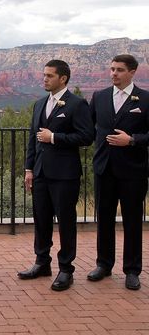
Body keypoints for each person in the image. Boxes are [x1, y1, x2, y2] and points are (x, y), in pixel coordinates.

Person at [17, 60, 93, 291]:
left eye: (50, 76)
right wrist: (29, 169)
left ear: (63, 79)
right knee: (41, 221)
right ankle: (42, 263)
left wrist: (55, 138)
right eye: (44, 75)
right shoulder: (39, 104)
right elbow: (32, 139)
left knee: (66, 224)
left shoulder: (77, 104)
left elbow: (86, 137)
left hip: (65, 175)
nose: (45, 79)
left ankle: (66, 269)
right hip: (40, 173)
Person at [87, 54, 149, 290]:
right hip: (104, 169)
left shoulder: (145, 99)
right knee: (103, 219)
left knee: (133, 221)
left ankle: (132, 270)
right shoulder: (99, 96)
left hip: (133, 171)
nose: (114, 73)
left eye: (120, 70)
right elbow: (88, 128)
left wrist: (132, 140)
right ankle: (103, 264)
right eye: (112, 69)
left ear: (133, 72)